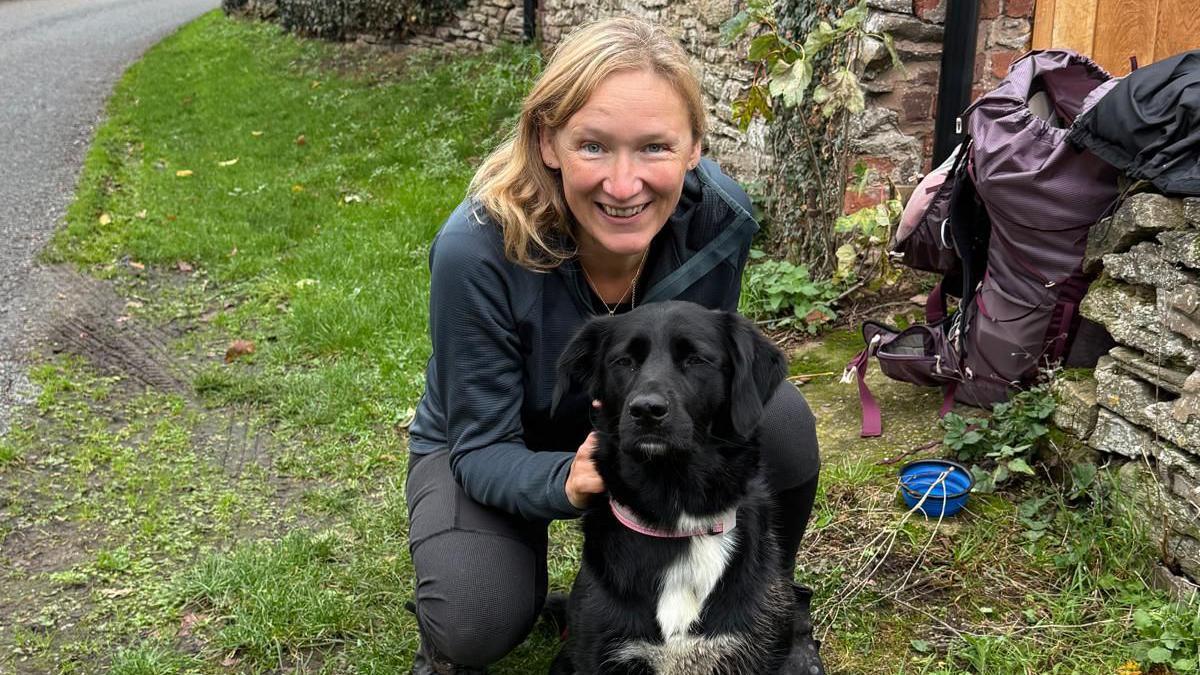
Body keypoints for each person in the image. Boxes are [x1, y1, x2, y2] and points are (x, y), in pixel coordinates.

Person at [405, 16, 822, 674]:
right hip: (494, 441)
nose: (624, 185)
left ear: (694, 148)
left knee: (783, 423)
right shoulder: (474, 251)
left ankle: (765, 606)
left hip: (635, 417)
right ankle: (532, 601)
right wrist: (567, 479)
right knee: (473, 616)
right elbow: (480, 445)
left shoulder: (719, 221)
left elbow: (714, 376)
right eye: (594, 146)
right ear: (548, 142)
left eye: (655, 147)